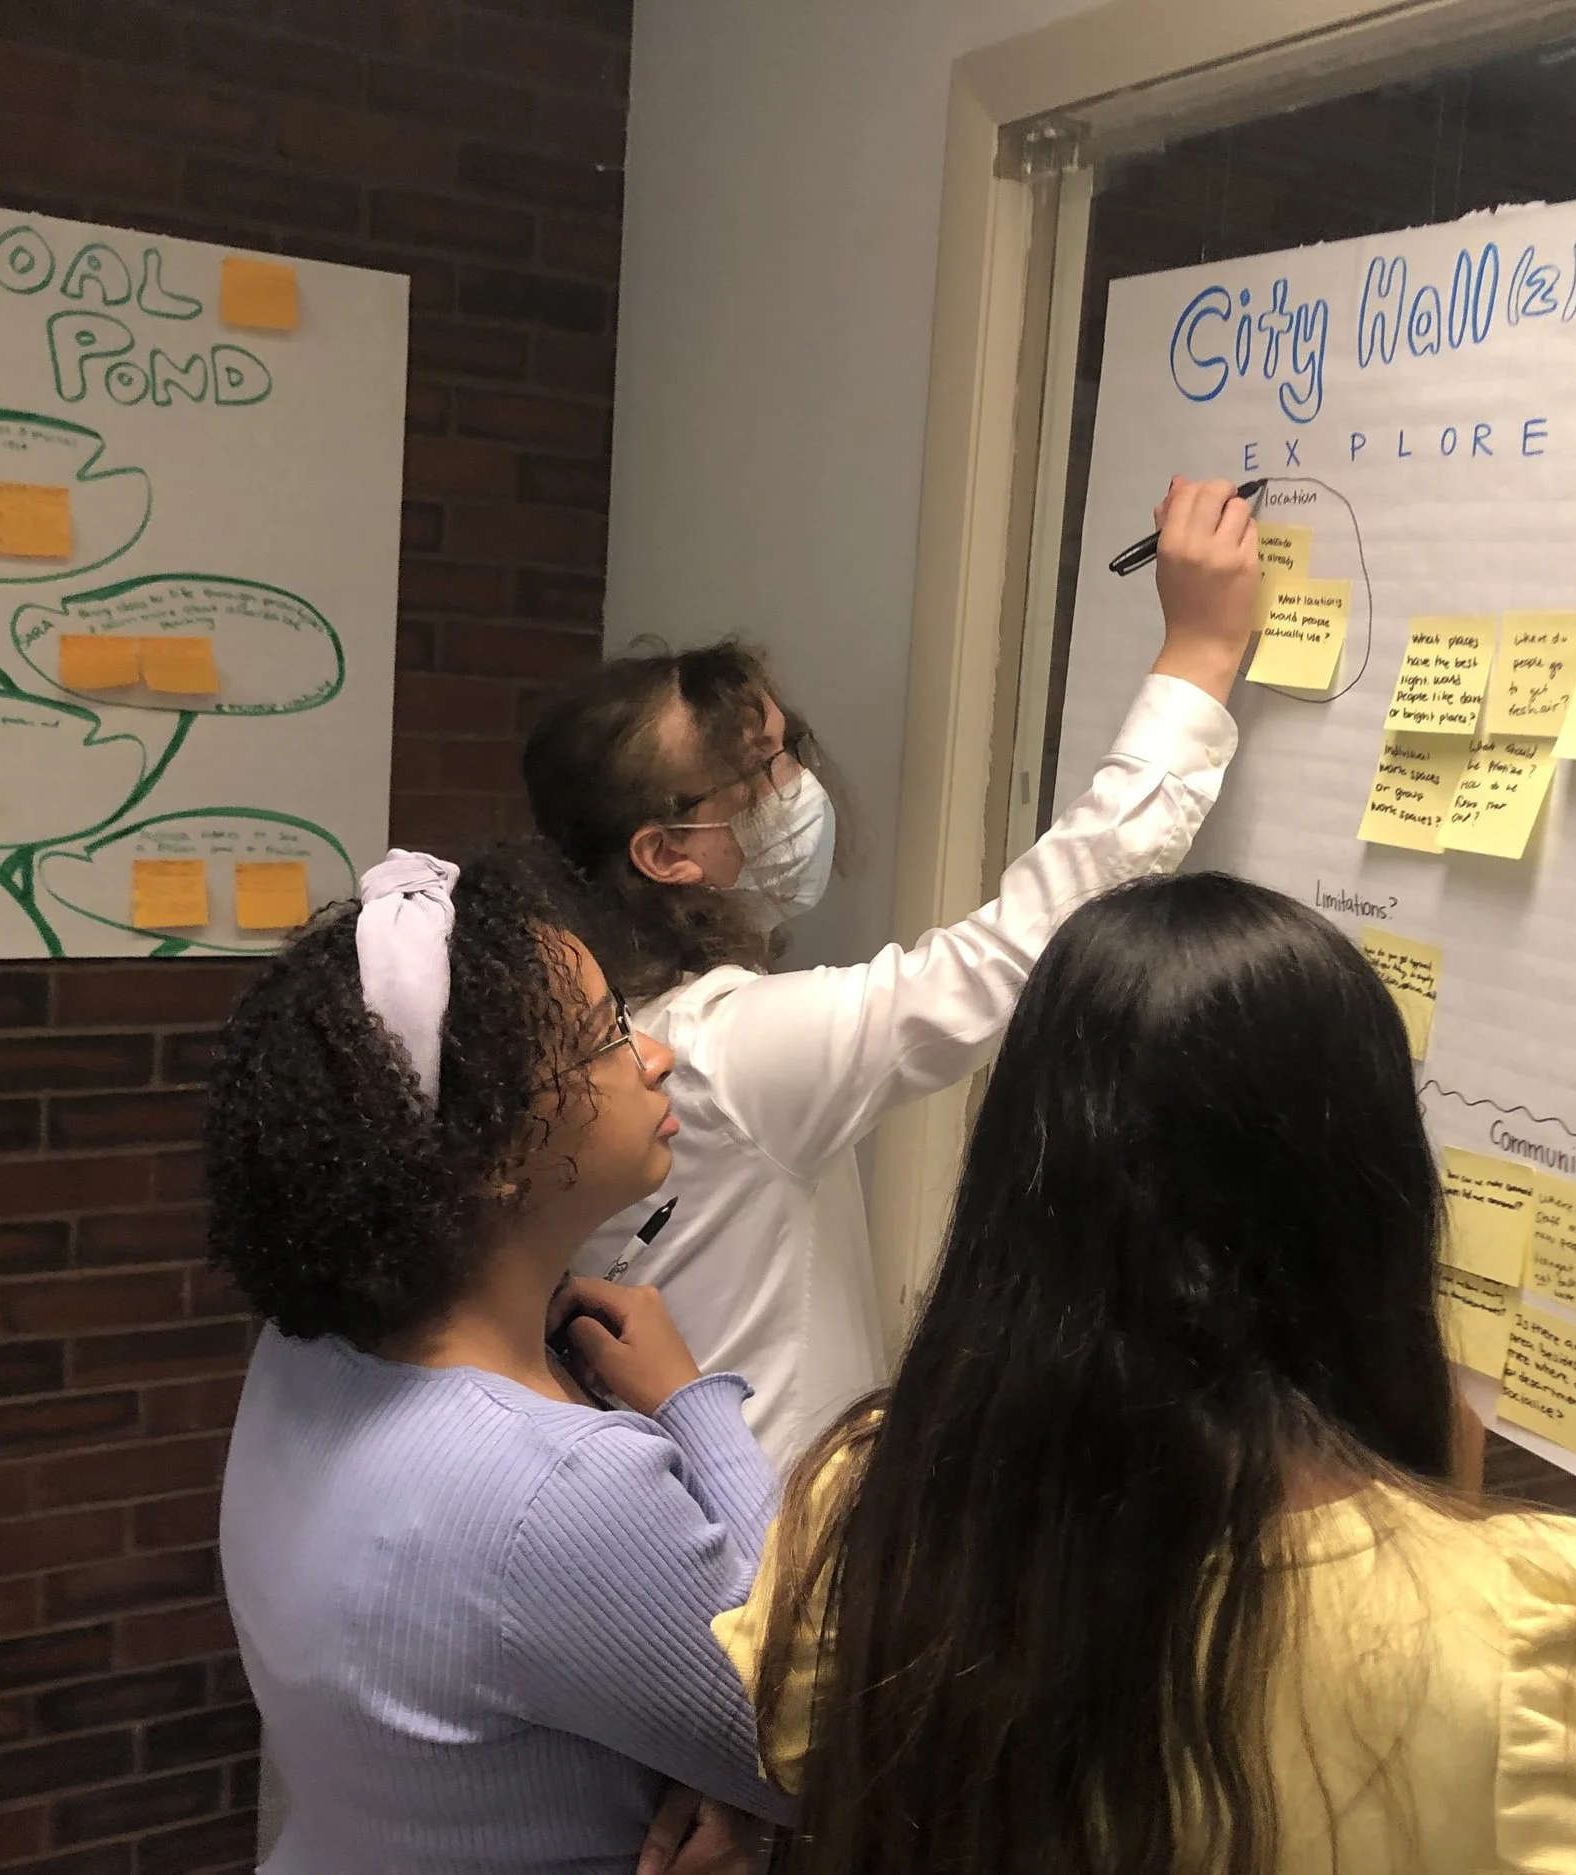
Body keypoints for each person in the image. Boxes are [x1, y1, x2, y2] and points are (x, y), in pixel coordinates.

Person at [713, 873, 1576, 1875]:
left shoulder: (873, 1504)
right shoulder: (1555, 1642)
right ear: (1371, 1195)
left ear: (1020, 1178)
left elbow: (789, 1751)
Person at [522, 478, 1257, 1458]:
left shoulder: (570, 1012)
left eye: (791, 753)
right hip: (754, 1541)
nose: (797, 792)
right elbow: (1013, 956)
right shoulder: (721, 1051)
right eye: (761, 777)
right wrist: (1197, 658)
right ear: (664, 854)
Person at [210, 847, 787, 1875]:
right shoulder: (560, 1486)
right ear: (491, 1157)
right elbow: (813, 1731)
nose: (652, 1055)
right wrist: (694, 1405)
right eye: (607, 1037)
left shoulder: (303, 1355)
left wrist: (701, 1758)